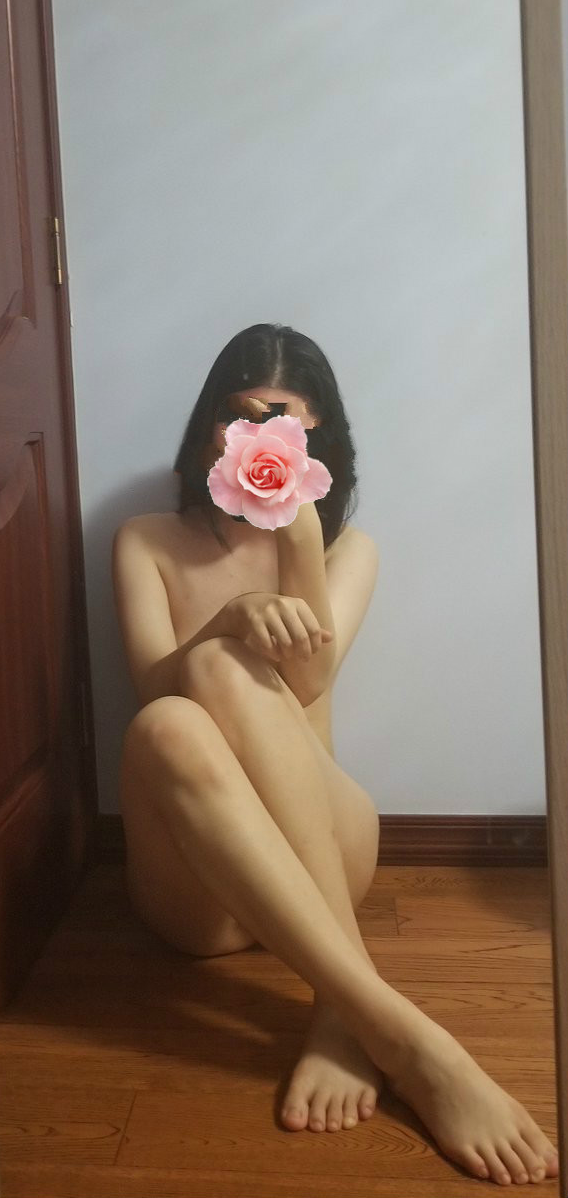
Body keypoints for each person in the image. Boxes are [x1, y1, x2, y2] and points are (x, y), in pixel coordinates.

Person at [112, 323, 559, 1186]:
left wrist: (298, 538)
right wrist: (228, 618)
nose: (261, 437)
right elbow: (152, 688)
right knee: (171, 715)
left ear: (318, 440)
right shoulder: (144, 539)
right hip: (199, 879)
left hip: (326, 846)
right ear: (209, 429)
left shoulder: (350, 548)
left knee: (224, 666)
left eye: (286, 422)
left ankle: (345, 1010)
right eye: (242, 416)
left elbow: (309, 681)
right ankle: (399, 1031)